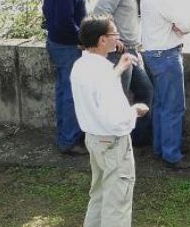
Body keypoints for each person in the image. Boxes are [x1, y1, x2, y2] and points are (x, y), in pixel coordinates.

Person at [71, 16, 149, 227]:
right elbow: (116, 119)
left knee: (99, 196)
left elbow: (99, 90)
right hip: (113, 143)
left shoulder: (80, 65)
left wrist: (119, 69)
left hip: (94, 139)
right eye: (114, 34)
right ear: (102, 39)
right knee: (117, 205)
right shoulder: (103, 71)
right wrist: (135, 111)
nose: (118, 38)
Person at [140, 0, 190, 170]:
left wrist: (177, 25)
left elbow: (176, 23)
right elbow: (184, 24)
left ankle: (160, 148)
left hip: (151, 53)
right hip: (165, 54)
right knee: (173, 106)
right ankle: (172, 155)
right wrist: (184, 26)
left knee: (161, 104)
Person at [93, 0, 154, 146]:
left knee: (145, 90)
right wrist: (115, 37)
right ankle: (114, 141)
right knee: (117, 97)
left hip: (132, 51)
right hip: (118, 53)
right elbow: (100, 11)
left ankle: (136, 140)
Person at [42, 0, 88, 155]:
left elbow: (48, 14)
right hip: (67, 47)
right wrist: (81, 39)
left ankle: (64, 137)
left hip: (58, 43)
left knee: (63, 92)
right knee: (70, 94)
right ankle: (69, 140)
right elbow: (64, 20)